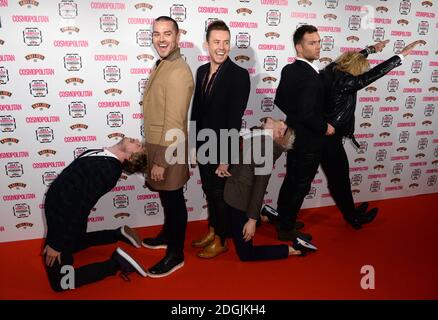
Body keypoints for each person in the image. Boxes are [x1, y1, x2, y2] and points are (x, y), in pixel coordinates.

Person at [319, 39, 422, 228]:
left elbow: (352, 60)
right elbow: (373, 75)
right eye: (361, 68)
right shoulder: (347, 82)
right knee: (339, 181)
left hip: (327, 138)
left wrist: (370, 50)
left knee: (339, 180)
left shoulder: (332, 70)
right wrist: (400, 56)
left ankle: (351, 212)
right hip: (329, 141)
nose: (362, 72)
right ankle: (353, 218)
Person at [42, 137, 148, 292]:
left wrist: (56, 243)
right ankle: (117, 234)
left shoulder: (108, 170)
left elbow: (79, 208)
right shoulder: (101, 154)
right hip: (59, 218)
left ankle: (117, 263)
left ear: (130, 157)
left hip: (63, 221)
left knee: (61, 283)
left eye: (139, 147)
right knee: (76, 242)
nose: (138, 141)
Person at [190, 20, 250, 258]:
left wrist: (226, 159)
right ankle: (213, 229)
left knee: (220, 196)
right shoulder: (202, 71)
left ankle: (221, 240)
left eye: (226, 42)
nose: (222, 47)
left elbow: (234, 120)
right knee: (209, 191)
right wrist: (194, 145)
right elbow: (197, 111)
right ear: (207, 44)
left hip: (223, 147)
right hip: (203, 144)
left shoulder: (239, 75)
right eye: (216, 42)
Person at [141, 16, 194, 277]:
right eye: (156, 34)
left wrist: (161, 160)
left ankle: (175, 254)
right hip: (159, 144)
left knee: (173, 200)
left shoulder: (177, 71)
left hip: (168, 149)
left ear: (177, 37)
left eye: (167, 34)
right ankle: (166, 236)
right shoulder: (164, 64)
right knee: (167, 196)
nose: (161, 39)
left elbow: (174, 121)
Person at [224, 117, 318, 261]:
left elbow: (259, 188)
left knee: (246, 254)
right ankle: (267, 216)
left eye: (281, 124)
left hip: (240, 201)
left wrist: (252, 221)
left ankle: (294, 249)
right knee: (227, 229)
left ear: (279, 134)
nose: (278, 120)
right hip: (233, 193)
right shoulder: (261, 135)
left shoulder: (266, 151)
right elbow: (256, 128)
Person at [274, 25, 335, 242]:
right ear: (299, 48)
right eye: (312, 43)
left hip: (295, 137)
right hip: (309, 140)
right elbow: (309, 115)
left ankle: (283, 218)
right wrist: (324, 127)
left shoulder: (289, 69)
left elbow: (279, 100)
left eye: (319, 41)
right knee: (300, 183)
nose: (318, 46)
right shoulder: (310, 77)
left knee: (291, 179)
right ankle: (287, 228)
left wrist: (296, 118)